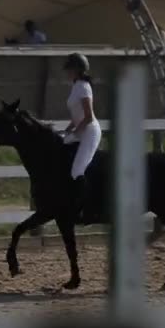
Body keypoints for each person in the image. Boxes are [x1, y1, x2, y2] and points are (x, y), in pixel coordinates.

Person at [62, 53, 101, 218]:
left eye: (69, 69)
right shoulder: (76, 86)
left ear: (77, 70)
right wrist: (67, 129)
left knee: (77, 169)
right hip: (80, 129)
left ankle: (87, 206)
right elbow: (76, 115)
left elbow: (88, 116)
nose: (67, 72)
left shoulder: (84, 86)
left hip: (89, 132)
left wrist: (76, 131)